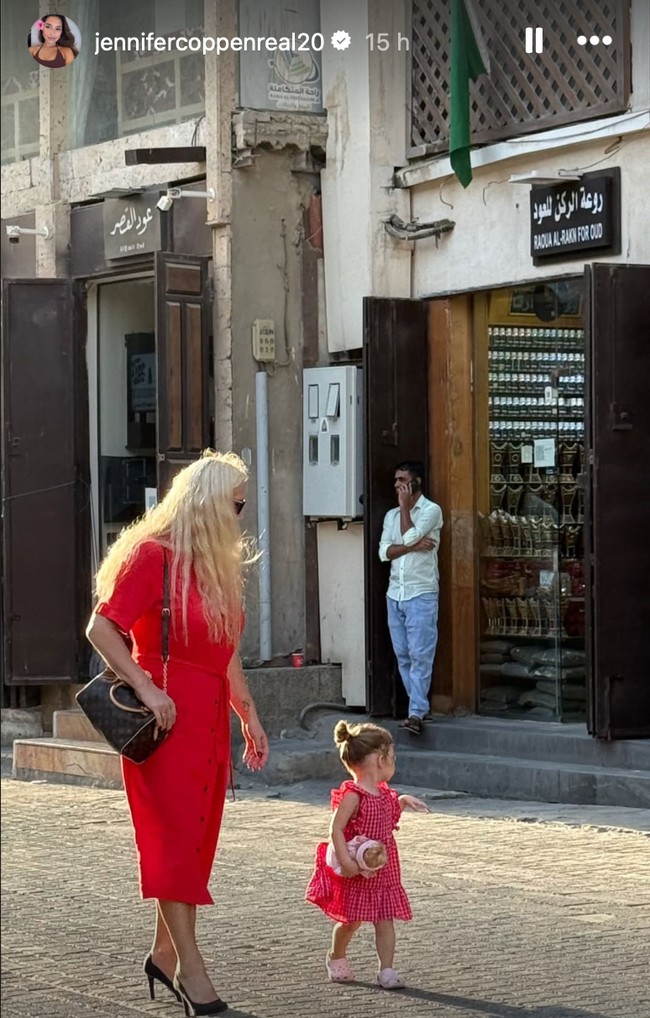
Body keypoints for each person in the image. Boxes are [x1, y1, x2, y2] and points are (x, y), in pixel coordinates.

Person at [86, 450, 269, 1017]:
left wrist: (249, 714)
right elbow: (101, 628)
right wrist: (146, 687)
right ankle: (193, 972)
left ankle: (163, 955)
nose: (240, 516)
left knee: (193, 847)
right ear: (207, 504)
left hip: (208, 724)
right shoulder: (151, 556)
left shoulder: (214, 566)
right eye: (235, 505)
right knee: (170, 846)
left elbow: (225, 652)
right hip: (162, 724)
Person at [305, 721, 430, 990]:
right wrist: (346, 861)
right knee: (351, 920)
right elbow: (336, 828)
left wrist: (402, 801)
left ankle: (387, 970)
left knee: (385, 919)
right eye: (392, 756)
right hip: (357, 869)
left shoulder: (385, 794)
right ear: (380, 759)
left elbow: (387, 818)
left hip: (383, 869)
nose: (394, 762)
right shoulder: (353, 795)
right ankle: (336, 955)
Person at [378, 460, 443, 735]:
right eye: (396, 480)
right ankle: (419, 707)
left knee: (420, 654)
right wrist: (413, 546)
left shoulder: (431, 510)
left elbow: (408, 535)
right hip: (395, 593)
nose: (397, 485)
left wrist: (405, 510)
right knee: (403, 655)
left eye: (402, 480)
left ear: (416, 482)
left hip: (421, 593)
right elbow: (384, 552)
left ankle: (416, 711)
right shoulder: (390, 516)